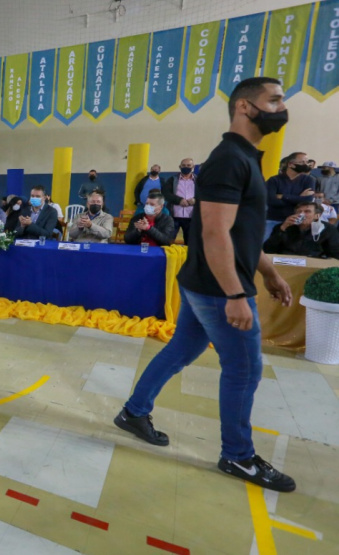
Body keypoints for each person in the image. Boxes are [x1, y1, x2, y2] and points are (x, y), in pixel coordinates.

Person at [113, 76, 296, 492]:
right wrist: (235, 293)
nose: (282, 107)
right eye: (275, 100)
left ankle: (134, 412)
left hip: (208, 283)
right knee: (244, 369)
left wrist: (268, 271)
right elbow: (214, 233)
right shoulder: (230, 159)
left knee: (181, 349)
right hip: (218, 288)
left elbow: (241, 233)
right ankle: (238, 456)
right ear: (245, 108)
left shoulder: (246, 158)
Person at [263, 201, 339, 259]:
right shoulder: (282, 226)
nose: (301, 214)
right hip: (286, 261)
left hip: (312, 262)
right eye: (299, 212)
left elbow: (335, 253)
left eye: (307, 211)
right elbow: (268, 250)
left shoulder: (327, 229)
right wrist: (282, 229)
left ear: (317, 216)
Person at [266, 152, 316, 235]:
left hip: (297, 221)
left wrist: (283, 196)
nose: (306, 164)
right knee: (268, 245)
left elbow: (308, 201)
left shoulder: (309, 180)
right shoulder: (274, 180)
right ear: (291, 164)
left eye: (307, 162)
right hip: (273, 219)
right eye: (302, 162)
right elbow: (272, 201)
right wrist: (299, 198)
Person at [163, 158, 197, 245]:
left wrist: (195, 199)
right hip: (174, 216)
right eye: (184, 165)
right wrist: (179, 200)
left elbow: (204, 194)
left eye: (189, 165)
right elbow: (166, 193)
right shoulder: (172, 179)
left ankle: (189, 259)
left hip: (191, 217)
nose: (186, 167)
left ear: (193, 167)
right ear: (180, 166)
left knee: (191, 244)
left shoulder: (199, 180)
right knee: (168, 241)